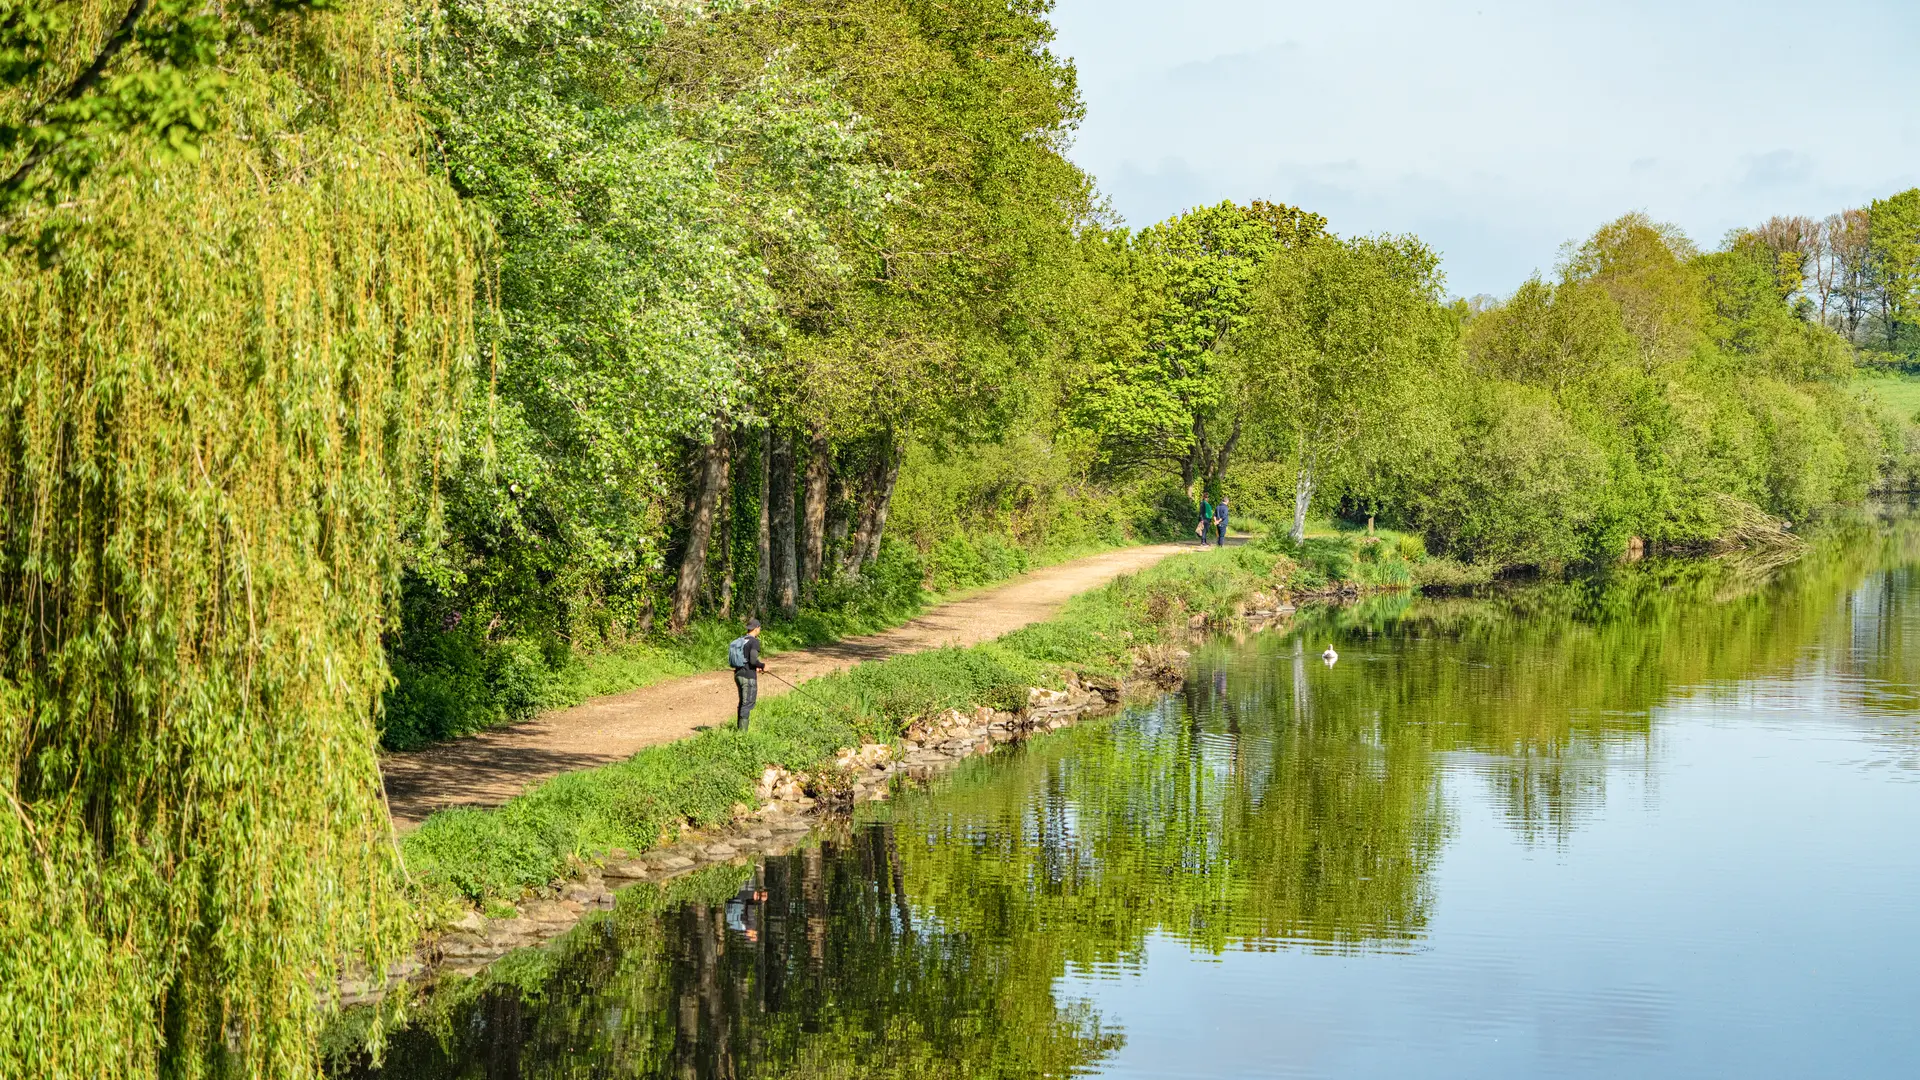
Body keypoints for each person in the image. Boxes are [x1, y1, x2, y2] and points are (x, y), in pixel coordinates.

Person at [729, 620, 767, 731]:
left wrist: (756, 665)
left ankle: (739, 729)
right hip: (748, 676)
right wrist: (762, 665)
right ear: (757, 628)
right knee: (748, 703)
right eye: (759, 628)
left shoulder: (742, 640)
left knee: (742, 702)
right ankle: (742, 735)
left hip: (738, 674)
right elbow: (753, 660)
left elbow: (747, 659)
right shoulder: (754, 642)